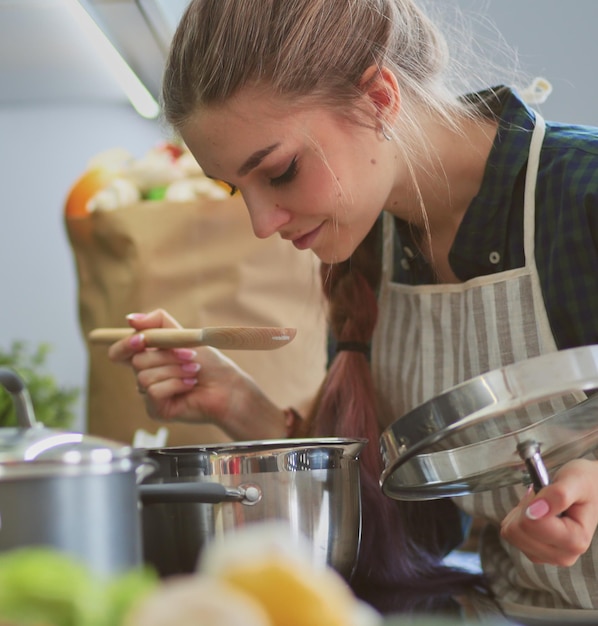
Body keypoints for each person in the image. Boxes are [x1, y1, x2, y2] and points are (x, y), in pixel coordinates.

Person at [107, 0, 598, 618]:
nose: (261, 224)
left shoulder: (583, 192)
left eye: (280, 171)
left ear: (379, 99)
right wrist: (240, 406)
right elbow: (411, 529)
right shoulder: (373, 247)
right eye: (238, 189)